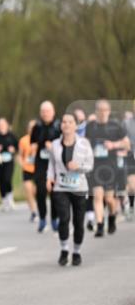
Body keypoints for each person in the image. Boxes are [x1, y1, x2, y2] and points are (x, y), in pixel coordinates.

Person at [47, 113, 94, 266]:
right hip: (60, 187)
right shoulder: (55, 144)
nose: (66, 124)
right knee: (64, 218)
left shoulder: (84, 144)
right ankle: (64, 249)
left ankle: (77, 252)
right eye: (64, 122)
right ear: (61, 126)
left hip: (79, 187)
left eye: (70, 122)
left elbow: (90, 165)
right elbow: (51, 164)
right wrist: (49, 178)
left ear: (76, 125)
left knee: (78, 222)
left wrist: (78, 167)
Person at [85, 99, 130, 237]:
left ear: (109, 111)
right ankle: (100, 226)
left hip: (111, 167)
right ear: (96, 111)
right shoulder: (91, 126)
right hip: (95, 166)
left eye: (105, 110)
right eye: (100, 110)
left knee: (109, 199)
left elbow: (127, 144)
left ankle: (112, 216)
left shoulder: (115, 126)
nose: (102, 113)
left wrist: (114, 145)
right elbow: (85, 142)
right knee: (97, 195)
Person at [29, 102, 61, 233]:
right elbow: (32, 143)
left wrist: (53, 147)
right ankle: (42, 218)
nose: (45, 114)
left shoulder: (59, 126)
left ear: (53, 112)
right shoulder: (37, 127)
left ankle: (54, 219)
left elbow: (65, 144)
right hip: (41, 164)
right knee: (41, 191)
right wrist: (34, 146)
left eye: (48, 111)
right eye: (43, 111)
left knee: (54, 193)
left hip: (55, 164)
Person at [0, 117, 17, 212]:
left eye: (3, 124)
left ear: (7, 125)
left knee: (7, 179)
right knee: (0, 181)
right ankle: (4, 202)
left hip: (9, 161)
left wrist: (13, 149)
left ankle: (10, 199)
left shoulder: (11, 136)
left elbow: (17, 146)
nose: (1, 126)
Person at [18, 119, 38, 222]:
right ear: (28, 129)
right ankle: (33, 212)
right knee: (28, 189)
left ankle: (37, 206)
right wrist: (22, 164)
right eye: (31, 127)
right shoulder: (23, 140)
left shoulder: (41, 139)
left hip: (39, 169)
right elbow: (19, 155)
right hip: (27, 169)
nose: (32, 129)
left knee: (37, 191)